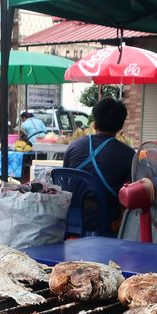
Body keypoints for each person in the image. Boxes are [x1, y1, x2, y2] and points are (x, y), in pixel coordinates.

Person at [62, 97, 134, 234]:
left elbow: (65, 182)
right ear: (121, 127)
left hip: (70, 218)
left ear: (94, 124)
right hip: (106, 222)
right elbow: (129, 194)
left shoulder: (73, 146)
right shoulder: (128, 154)